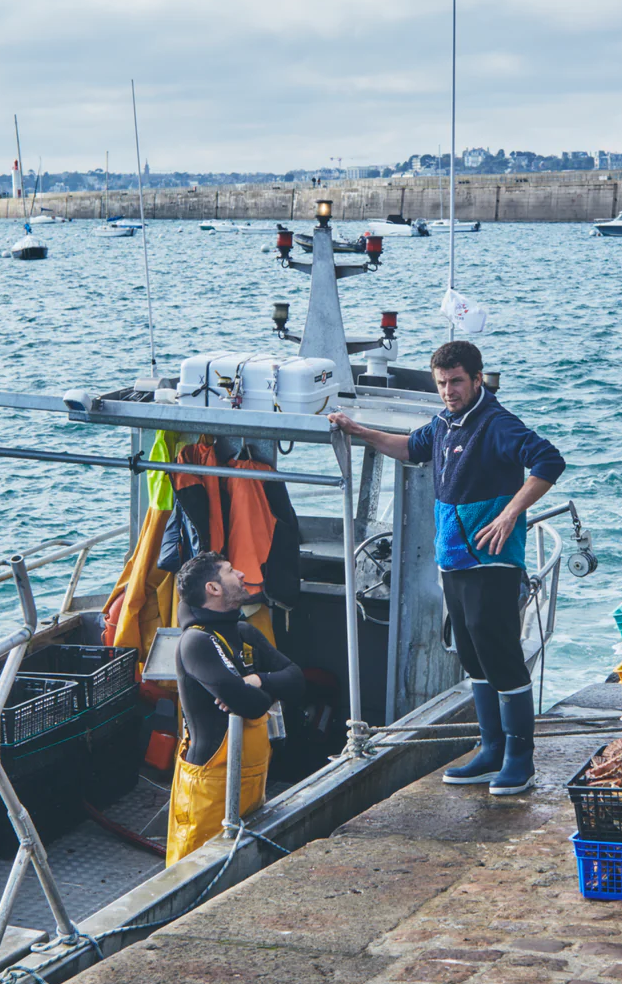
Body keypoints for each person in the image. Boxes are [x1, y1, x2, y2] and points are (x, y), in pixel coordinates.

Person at [329, 340, 564, 795]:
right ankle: (491, 750)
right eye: (441, 383)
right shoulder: (443, 424)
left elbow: (549, 461)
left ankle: (521, 760)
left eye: (456, 381)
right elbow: (409, 447)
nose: (448, 391)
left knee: (500, 656)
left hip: (491, 560)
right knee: (473, 658)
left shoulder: (496, 423)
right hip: (454, 560)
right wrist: (358, 431)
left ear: (477, 379)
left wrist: (510, 514)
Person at [166, 551, 305, 864]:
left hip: (251, 778)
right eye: (230, 570)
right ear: (213, 588)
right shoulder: (196, 642)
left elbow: (297, 680)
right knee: (197, 869)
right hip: (210, 785)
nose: (241, 574)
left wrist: (256, 680)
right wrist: (264, 690)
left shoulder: (243, 632)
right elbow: (251, 705)